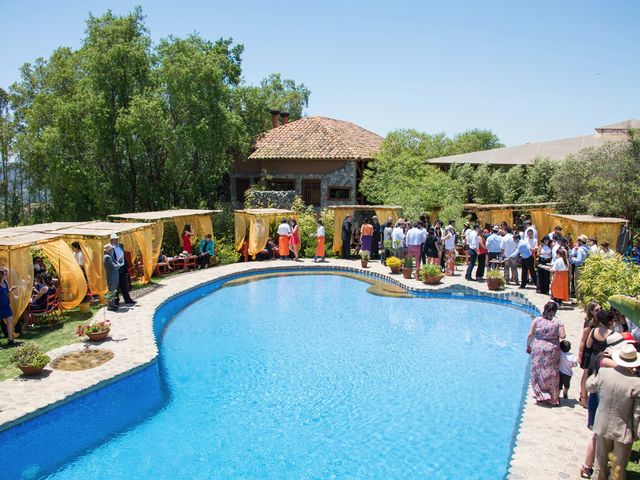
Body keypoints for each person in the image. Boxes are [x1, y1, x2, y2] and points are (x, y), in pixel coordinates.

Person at [586, 342, 640, 479]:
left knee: (600, 464)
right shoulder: (636, 383)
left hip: (602, 424)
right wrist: (635, 432)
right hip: (623, 430)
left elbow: (589, 387)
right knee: (618, 468)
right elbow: (637, 413)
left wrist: (595, 372)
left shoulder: (604, 373)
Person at [526, 301, 565, 405]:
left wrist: (527, 345)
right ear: (555, 311)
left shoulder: (537, 320)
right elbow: (563, 336)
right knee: (551, 372)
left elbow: (530, 335)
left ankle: (540, 394)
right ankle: (553, 397)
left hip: (538, 348)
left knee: (537, 371)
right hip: (552, 349)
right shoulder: (558, 322)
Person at [578, 302, 602, 408]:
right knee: (586, 374)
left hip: (595, 351)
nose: (599, 311)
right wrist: (580, 355)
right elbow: (583, 340)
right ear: (591, 311)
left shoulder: (599, 321)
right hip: (588, 351)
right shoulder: (590, 323)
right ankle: (583, 397)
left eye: (600, 308)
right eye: (597, 310)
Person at [110, 233, 135, 306]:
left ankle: (127, 299)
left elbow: (123, 256)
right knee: (116, 286)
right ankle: (116, 301)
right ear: (111, 240)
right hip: (116, 269)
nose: (116, 240)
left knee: (124, 285)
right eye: (115, 239)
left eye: (117, 239)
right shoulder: (110, 248)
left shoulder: (121, 245)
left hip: (123, 268)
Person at [0, 268, 18, 346]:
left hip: (6, 305)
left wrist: (11, 290)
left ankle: (10, 340)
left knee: (10, 321)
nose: (6, 275)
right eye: (5, 274)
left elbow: (6, 292)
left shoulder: (5, 282)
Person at [103, 244, 120, 312]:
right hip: (111, 277)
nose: (112, 250)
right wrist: (118, 265)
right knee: (112, 291)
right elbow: (114, 266)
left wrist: (117, 264)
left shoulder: (109, 256)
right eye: (111, 249)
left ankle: (112, 305)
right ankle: (110, 306)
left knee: (113, 291)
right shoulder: (107, 257)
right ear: (109, 250)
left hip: (114, 276)